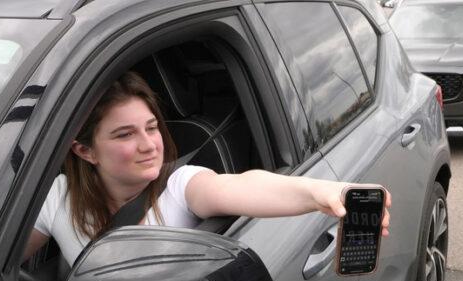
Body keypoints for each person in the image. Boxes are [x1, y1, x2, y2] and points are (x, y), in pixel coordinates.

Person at [24, 71, 390, 265]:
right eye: (125, 134)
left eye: (151, 127)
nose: (149, 144)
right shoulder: (58, 196)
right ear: (85, 151)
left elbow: (243, 186)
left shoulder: (179, 185)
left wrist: (319, 192)